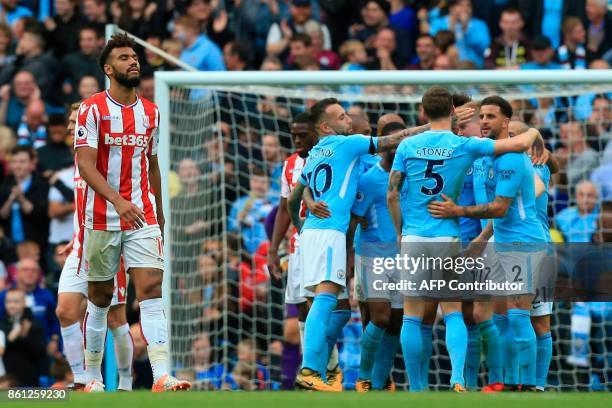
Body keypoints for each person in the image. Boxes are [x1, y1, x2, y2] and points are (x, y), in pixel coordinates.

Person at [388, 88, 542, 392]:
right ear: (453, 112)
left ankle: (416, 388)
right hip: (447, 234)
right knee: (454, 311)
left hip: (414, 235)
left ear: (422, 111)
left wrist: (400, 231)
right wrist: (535, 130)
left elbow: (392, 192)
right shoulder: (466, 145)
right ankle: (457, 379)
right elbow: (522, 142)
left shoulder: (407, 145)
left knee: (412, 316)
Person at [288, 98, 430, 391]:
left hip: (313, 233)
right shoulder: (349, 144)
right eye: (342, 116)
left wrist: (303, 219)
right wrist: (437, 127)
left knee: (337, 309)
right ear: (326, 126)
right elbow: (396, 139)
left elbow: (294, 197)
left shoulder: (315, 153)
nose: (348, 121)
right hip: (331, 233)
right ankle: (310, 370)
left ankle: (325, 371)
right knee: (326, 299)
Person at [75, 33, 190, 392]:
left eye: (135, 57)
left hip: (142, 215)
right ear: (109, 69)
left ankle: (161, 376)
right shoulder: (91, 109)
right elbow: (85, 165)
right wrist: (117, 201)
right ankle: (92, 377)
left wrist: (158, 207)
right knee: (100, 296)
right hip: (101, 216)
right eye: (125, 58)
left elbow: (152, 164)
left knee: (151, 289)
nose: (133, 62)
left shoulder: (152, 112)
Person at [54, 102, 133, 390]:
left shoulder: (108, 160)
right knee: (65, 311)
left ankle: (125, 383)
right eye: (71, 122)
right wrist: (75, 238)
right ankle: (80, 380)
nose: (71, 127)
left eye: (76, 121)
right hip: (80, 248)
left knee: (115, 317)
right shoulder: (78, 160)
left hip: (110, 245)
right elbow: (82, 205)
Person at [349, 121, 406, 392]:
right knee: (380, 318)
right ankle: (364, 376)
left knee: (396, 323)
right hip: (372, 255)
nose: (396, 146)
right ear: (384, 145)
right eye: (391, 142)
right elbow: (354, 219)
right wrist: (351, 259)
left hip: (403, 257)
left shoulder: (413, 176)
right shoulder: (370, 180)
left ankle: (381, 382)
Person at [0, 146, 49, 253]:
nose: (17, 166)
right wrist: (11, 199)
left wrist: (21, 198)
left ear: (32, 164)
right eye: (14, 162)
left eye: (22, 162)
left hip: (37, 245)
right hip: (10, 246)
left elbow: (41, 215)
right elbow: (2, 216)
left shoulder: (42, 184)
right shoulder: (5, 184)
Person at [0, 287, 45, 386]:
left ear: (24, 302)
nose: (11, 305)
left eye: (16, 302)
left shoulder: (34, 324)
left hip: (29, 378)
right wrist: (13, 337)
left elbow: (41, 351)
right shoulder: (2, 324)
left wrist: (25, 336)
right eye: (8, 302)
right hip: (6, 380)